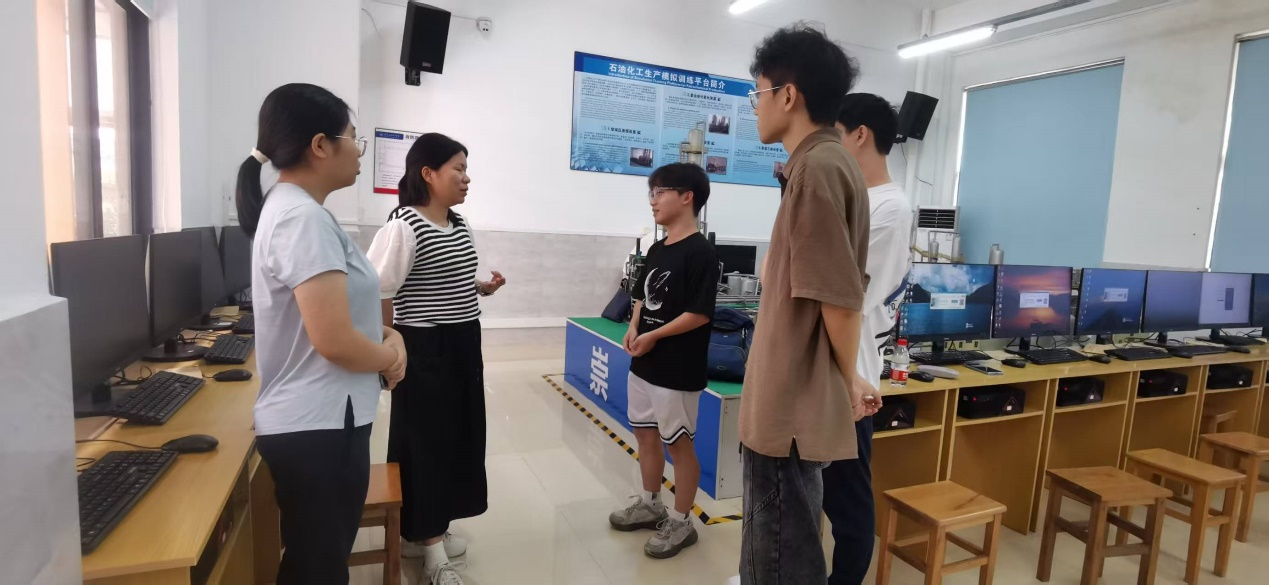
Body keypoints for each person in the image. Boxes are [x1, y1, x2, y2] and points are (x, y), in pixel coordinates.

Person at [239, 83, 407, 585]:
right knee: (318, 567)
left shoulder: (296, 210)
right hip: (319, 427)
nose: (359, 151)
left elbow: (333, 315)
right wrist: (391, 357)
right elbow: (333, 342)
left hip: (319, 422)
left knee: (316, 559)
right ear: (320, 145)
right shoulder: (302, 218)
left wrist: (388, 336)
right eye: (354, 138)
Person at [737, 24, 873, 584]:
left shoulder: (817, 169)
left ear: (788, 95)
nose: (756, 108)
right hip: (793, 398)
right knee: (784, 547)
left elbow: (838, 299)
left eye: (758, 94)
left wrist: (848, 378)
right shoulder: (825, 164)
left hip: (789, 404)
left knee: (780, 559)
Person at [367, 133, 506, 585]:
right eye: (458, 169)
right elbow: (379, 290)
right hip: (424, 348)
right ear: (428, 173)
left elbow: (452, 279)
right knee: (424, 443)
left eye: (466, 169)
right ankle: (429, 550)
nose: (466, 178)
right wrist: (387, 349)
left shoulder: (459, 224)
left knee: (458, 437)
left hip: (464, 341)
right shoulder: (403, 226)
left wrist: (482, 288)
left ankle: (428, 528)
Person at [823, 93, 914, 585]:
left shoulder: (890, 208)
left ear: (860, 135)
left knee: (848, 506)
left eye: (834, 135)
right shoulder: (853, 198)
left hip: (851, 375)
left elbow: (844, 293)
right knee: (811, 494)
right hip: (828, 369)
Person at [607, 163, 719, 559]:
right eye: (651, 193)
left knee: (680, 446)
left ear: (687, 197)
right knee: (645, 435)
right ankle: (650, 503)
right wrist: (634, 326)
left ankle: (682, 521)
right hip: (644, 365)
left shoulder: (702, 253)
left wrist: (654, 336)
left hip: (677, 368)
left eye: (660, 192)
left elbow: (700, 314)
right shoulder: (658, 248)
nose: (652, 201)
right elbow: (640, 296)